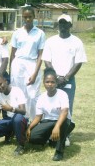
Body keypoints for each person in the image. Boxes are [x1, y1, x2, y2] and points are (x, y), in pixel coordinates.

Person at [42, 14, 87, 146]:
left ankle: (65, 134)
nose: (63, 26)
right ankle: (50, 133)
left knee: (66, 107)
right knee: (50, 106)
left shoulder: (77, 42)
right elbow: (47, 60)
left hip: (68, 80)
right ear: (58, 25)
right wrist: (56, 78)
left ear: (70, 25)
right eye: (60, 23)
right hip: (53, 80)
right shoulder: (51, 41)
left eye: (65, 23)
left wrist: (66, 77)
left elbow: (78, 62)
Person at [26, 68, 75, 161]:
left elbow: (64, 112)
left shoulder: (62, 94)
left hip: (64, 121)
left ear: (56, 83)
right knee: (32, 137)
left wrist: (57, 127)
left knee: (62, 123)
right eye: (47, 82)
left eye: (52, 82)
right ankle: (52, 140)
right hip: (48, 122)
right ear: (43, 83)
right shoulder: (41, 97)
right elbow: (38, 117)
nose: (50, 84)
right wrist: (29, 128)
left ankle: (59, 152)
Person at [10, 6, 45, 120]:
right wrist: (11, 70)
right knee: (18, 92)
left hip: (32, 64)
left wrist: (35, 73)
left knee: (32, 94)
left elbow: (40, 55)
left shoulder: (40, 33)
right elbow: (13, 53)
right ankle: (17, 121)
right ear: (22, 17)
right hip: (18, 63)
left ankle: (32, 121)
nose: (28, 19)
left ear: (34, 17)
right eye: (25, 17)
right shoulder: (17, 32)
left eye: (30, 17)